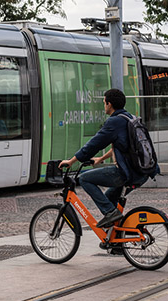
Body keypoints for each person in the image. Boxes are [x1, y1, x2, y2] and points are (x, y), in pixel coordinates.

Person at [59, 88, 148, 228]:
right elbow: (120, 146)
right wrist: (100, 159)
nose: (104, 105)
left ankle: (110, 214)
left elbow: (94, 144)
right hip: (141, 172)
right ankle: (116, 239)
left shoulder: (114, 122)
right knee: (108, 199)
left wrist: (71, 161)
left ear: (109, 104)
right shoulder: (129, 118)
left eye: (104, 102)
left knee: (84, 179)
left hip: (127, 173)